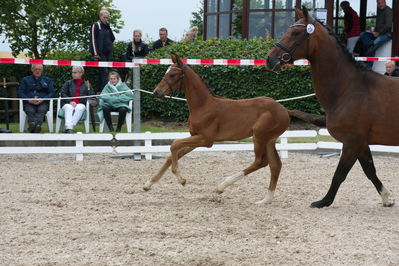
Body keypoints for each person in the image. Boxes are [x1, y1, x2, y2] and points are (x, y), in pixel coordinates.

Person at [18, 64, 55, 133]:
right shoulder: (25, 80)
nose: (37, 71)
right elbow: (20, 93)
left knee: (41, 110)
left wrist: (43, 99)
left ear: (42, 70)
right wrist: (28, 100)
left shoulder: (47, 80)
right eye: (35, 69)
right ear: (32, 70)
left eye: (39, 69)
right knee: (30, 110)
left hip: (43, 102)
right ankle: (36, 126)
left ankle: (34, 126)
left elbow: (52, 93)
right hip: (29, 102)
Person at [359, 0, 392, 67]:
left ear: (385, 2)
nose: (380, 4)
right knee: (363, 34)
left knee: (374, 44)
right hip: (377, 33)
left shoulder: (389, 11)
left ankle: (368, 67)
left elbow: (388, 25)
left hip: (386, 34)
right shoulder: (379, 11)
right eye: (378, 3)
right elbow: (379, 25)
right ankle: (368, 49)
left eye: (381, 3)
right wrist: (372, 30)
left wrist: (379, 33)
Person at [59, 66, 93, 133]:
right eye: (72, 72)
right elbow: (63, 93)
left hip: (81, 104)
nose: (73, 74)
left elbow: (91, 95)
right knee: (69, 107)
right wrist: (70, 101)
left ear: (81, 73)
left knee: (80, 107)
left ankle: (69, 127)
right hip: (68, 103)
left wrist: (93, 102)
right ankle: (69, 128)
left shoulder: (87, 84)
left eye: (75, 72)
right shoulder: (68, 83)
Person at [89, 7, 115, 92]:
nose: (106, 19)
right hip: (100, 54)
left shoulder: (107, 26)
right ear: (100, 16)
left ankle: (101, 91)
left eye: (107, 18)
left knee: (107, 73)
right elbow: (93, 40)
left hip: (108, 54)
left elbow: (112, 38)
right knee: (104, 73)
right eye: (104, 17)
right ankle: (104, 92)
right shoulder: (96, 25)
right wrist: (96, 54)